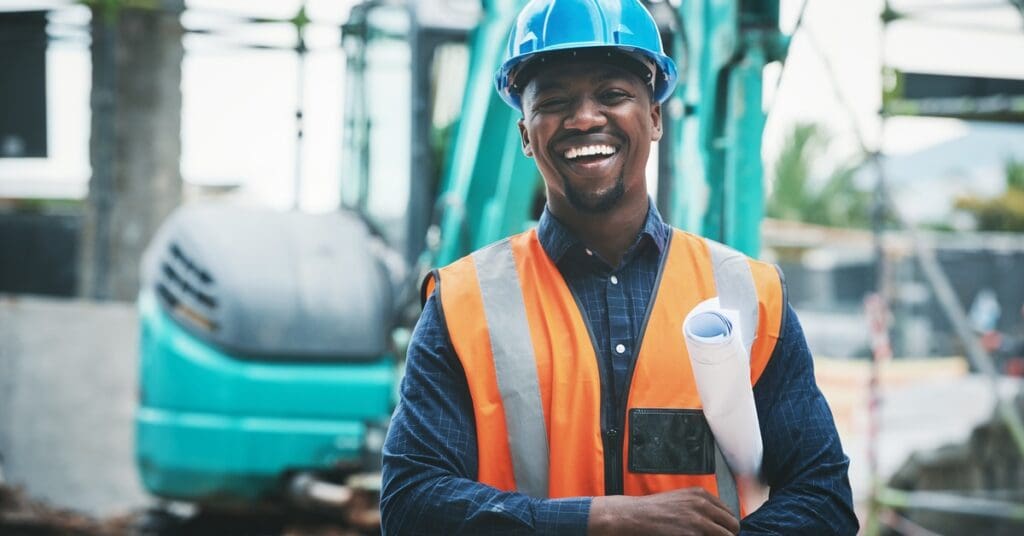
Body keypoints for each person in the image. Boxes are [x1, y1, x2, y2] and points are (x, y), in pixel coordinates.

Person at [380, 0, 857, 534]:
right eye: (555, 100)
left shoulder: (750, 295)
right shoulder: (462, 304)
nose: (584, 118)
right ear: (524, 133)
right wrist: (597, 520)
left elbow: (824, 500)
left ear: (654, 117)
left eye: (612, 95)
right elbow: (411, 505)